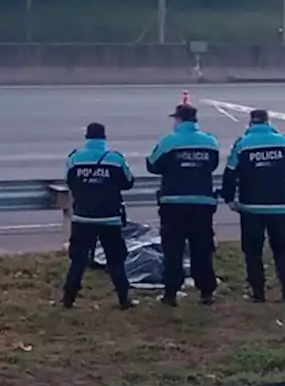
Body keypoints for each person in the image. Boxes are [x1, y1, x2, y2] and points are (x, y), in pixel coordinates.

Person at [221, 109, 285, 303]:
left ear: (251, 123)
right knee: (283, 249)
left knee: (253, 251)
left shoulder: (242, 144)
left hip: (251, 207)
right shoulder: (283, 141)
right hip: (280, 206)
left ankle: (258, 292)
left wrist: (229, 198)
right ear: (268, 121)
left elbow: (230, 172)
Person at [147, 104, 220, 306]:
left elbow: (152, 164)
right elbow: (213, 165)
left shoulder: (169, 142)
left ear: (178, 120)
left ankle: (170, 292)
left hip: (173, 203)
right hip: (202, 203)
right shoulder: (210, 142)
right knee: (202, 249)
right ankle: (206, 291)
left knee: (173, 250)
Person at [63, 122, 135, 310]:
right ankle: (123, 299)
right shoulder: (115, 159)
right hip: (110, 218)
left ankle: (68, 299)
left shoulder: (75, 158)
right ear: (104, 138)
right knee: (115, 260)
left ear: (87, 137)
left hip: (82, 218)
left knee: (78, 260)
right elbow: (128, 182)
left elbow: (70, 181)